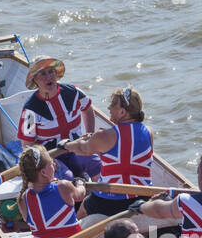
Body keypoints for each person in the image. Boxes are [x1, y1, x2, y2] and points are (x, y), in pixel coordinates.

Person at [59, 86, 152, 223]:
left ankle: (71, 234)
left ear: (122, 112)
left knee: (84, 206)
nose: (109, 108)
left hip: (110, 202)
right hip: (143, 197)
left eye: (113, 104)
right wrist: (95, 140)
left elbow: (81, 149)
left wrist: (66, 145)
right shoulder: (148, 132)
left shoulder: (104, 135)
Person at [18, 55, 100, 180]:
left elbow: (88, 110)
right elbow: (27, 146)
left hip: (76, 147)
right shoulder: (30, 110)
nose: (49, 77)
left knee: (97, 165)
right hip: (51, 156)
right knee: (67, 177)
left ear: (56, 74)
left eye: (51, 72)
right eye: (43, 74)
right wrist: (44, 162)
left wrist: (90, 135)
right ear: (35, 80)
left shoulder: (74, 92)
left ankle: (98, 197)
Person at [17, 145, 90, 238]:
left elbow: (30, 220)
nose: (55, 166)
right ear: (44, 172)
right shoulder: (63, 186)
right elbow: (80, 195)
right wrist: (80, 183)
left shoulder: (23, 198)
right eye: (51, 164)